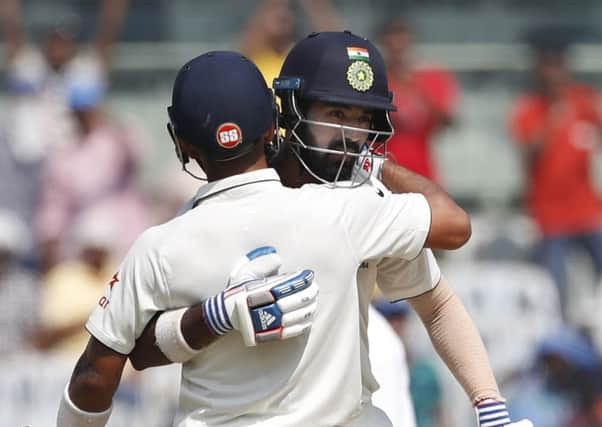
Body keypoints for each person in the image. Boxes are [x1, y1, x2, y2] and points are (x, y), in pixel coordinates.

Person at [127, 32, 531, 427]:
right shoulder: (225, 199)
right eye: (336, 114)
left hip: (344, 397)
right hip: (239, 410)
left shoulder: (366, 198)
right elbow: (142, 346)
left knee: (385, 361)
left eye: (363, 120)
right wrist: (214, 317)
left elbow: (438, 305)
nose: (351, 137)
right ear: (288, 110)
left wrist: (490, 407)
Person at [57, 49, 455, 427]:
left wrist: (212, 318)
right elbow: (453, 224)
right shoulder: (342, 211)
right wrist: (367, 157)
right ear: (272, 127)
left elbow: (96, 378)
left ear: (181, 142)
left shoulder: (158, 247)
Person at [509, 27, 602, 317]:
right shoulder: (530, 108)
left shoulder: (584, 101)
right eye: (547, 66)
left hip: (589, 210)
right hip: (551, 217)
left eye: (558, 65)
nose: (553, 73)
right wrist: (553, 115)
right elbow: (529, 151)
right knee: (554, 290)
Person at [379, 18, 459, 182]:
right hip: (381, 168)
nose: (397, 48)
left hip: (421, 170)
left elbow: (448, 121)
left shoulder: (431, 77)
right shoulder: (376, 78)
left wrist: (419, 90)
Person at [241, 0, 342, 86]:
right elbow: (247, 45)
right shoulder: (257, 57)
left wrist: (315, 5)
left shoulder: (301, 56)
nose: (282, 15)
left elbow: (334, 46)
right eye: (275, 12)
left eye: (287, 12)